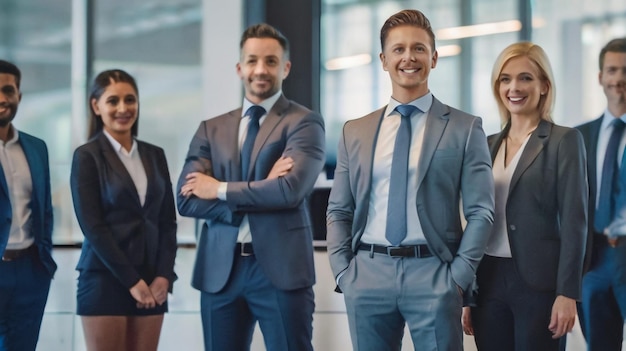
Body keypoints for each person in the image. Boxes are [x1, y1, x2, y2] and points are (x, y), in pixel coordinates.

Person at [326, 9, 495, 351]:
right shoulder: (354, 131)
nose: (409, 57)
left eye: (418, 48)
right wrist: (344, 270)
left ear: (433, 58)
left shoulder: (465, 128)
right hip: (367, 273)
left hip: (434, 273)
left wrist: (458, 277)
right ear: (384, 59)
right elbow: (339, 209)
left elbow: (482, 212)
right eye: (399, 49)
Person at [177, 23, 325, 351]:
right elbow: (186, 201)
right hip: (220, 272)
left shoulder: (304, 123)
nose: (261, 69)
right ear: (239, 68)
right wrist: (263, 187)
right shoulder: (210, 129)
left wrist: (217, 189)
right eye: (253, 60)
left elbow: (289, 191)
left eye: (271, 61)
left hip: (281, 271)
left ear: (285, 67)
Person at [460, 42, 588, 350]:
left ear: (544, 85)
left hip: (539, 285)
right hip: (488, 281)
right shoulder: (485, 144)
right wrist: (468, 293)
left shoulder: (564, 141)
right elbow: (474, 219)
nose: (514, 87)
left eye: (525, 78)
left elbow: (575, 222)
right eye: (505, 78)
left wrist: (567, 293)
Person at [70, 69, 177, 351]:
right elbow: (93, 227)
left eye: (130, 100)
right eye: (113, 101)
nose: (123, 108)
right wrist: (132, 282)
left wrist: (164, 276)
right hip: (105, 278)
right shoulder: (87, 156)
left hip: (153, 279)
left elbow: (167, 222)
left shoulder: (155, 155)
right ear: (96, 106)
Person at [0, 60, 57, 351]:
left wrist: (44, 263)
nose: (2, 98)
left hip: (30, 270)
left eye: (8, 90)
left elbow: (45, 208)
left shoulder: (37, 148)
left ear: (19, 96)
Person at [576, 37, 626, 351]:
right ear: (600, 77)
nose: (619, 78)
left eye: (625, 70)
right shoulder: (579, 137)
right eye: (612, 70)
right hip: (593, 259)